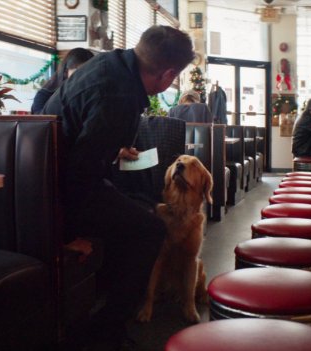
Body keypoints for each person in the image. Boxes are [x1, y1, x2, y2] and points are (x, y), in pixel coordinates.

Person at [42, 25, 195, 350]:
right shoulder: (120, 95)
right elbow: (80, 175)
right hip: (53, 191)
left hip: (46, 179)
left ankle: (103, 316)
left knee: (139, 203)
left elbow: (80, 137)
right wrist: (67, 234)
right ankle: (102, 332)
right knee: (151, 230)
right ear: (168, 75)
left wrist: (114, 151)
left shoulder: (108, 64)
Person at [30, 47, 94, 114]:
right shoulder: (45, 94)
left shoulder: (94, 94)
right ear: (66, 72)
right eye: (78, 70)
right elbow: (38, 120)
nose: (83, 75)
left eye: (88, 71)